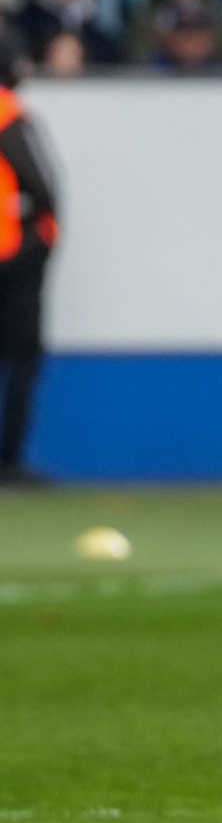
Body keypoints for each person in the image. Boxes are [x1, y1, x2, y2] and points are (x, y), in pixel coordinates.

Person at [0, 33, 60, 485]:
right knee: (21, 359)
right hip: (13, 254)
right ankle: (11, 460)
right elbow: (41, 186)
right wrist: (42, 240)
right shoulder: (8, 113)